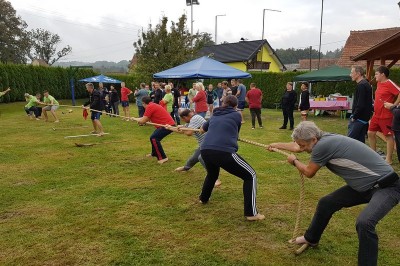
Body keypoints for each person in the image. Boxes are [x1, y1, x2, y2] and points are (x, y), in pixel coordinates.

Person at [268, 121, 400, 266]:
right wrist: (276, 145)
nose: (302, 148)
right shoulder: (321, 138)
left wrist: (294, 161)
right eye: (300, 145)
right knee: (327, 203)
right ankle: (311, 238)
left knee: (364, 223)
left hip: (387, 187)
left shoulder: (322, 146)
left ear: (313, 139)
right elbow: (296, 146)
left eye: (304, 145)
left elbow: (309, 172)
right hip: (364, 186)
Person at [199, 95, 265, 221]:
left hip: (205, 150)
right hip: (223, 151)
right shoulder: (236, 115)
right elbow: (236, 132)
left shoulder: (215, 114)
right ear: (235, 106)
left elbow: (202, 129)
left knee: (212, 174)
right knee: (250, 175)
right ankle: (251, 213)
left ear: (223, 103)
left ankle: (203, 198)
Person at [166, 109, 222, 187]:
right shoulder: (192, 120)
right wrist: (170, 128)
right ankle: (186, 168)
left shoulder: (195, 118)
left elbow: (188, 133)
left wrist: (182, 127)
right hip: (204, 144)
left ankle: (215, 178)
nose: (183, 121)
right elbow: (182, 130)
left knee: (201, 158)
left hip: (210, 143)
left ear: (186, 117)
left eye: (183, 119)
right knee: (194, 157)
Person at [368, 66, 400, 165]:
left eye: (376, 74)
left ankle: (388, 159)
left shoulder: (389, 83)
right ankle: (373, 155)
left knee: (388, 136)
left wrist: (394, 105)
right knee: (370, 133)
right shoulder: (378, 83)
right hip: (376, 115)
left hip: (386, 116)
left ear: (383, 74)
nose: (375, 76)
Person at [137, 96, 175, 164]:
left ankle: (163, 158)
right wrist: (136, 118)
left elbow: (143, 121)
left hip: (167, 126)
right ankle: (154, 153)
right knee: (153, 137)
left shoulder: (149, 107)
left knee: (154, 138)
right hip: (166, 125)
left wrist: (138, 120)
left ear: (143, 103)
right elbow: (145, 118)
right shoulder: (152, 105)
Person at [348, 66, 373, 143]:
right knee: (360, 142)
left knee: (349, 141)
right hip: (364, 118)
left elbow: (361, 104)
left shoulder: (361, 85)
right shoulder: (366, 83)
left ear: (358, 74)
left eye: (352, 72)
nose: (350, 75)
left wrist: (354, 116)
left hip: (359, 118)